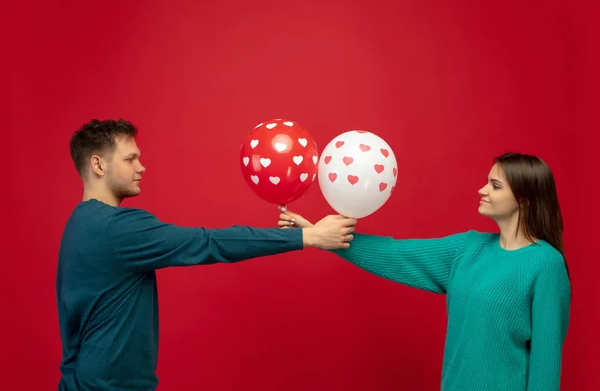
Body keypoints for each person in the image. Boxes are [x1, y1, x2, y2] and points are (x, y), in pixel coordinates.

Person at [56, 119, 356, 391]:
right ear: (98, 165)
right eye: (130, 159)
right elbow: (209, 242)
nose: (141, 167)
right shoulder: (117, 229)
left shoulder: (79, 224)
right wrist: (309, 236)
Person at [277, 152, 571, 391]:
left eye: (495, 186)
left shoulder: (545, 264)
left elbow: (546, 365)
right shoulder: (468, 249)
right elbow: (395, 254)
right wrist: (317, 235)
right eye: (487, 182)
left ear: (524, 199)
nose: (481, 190)